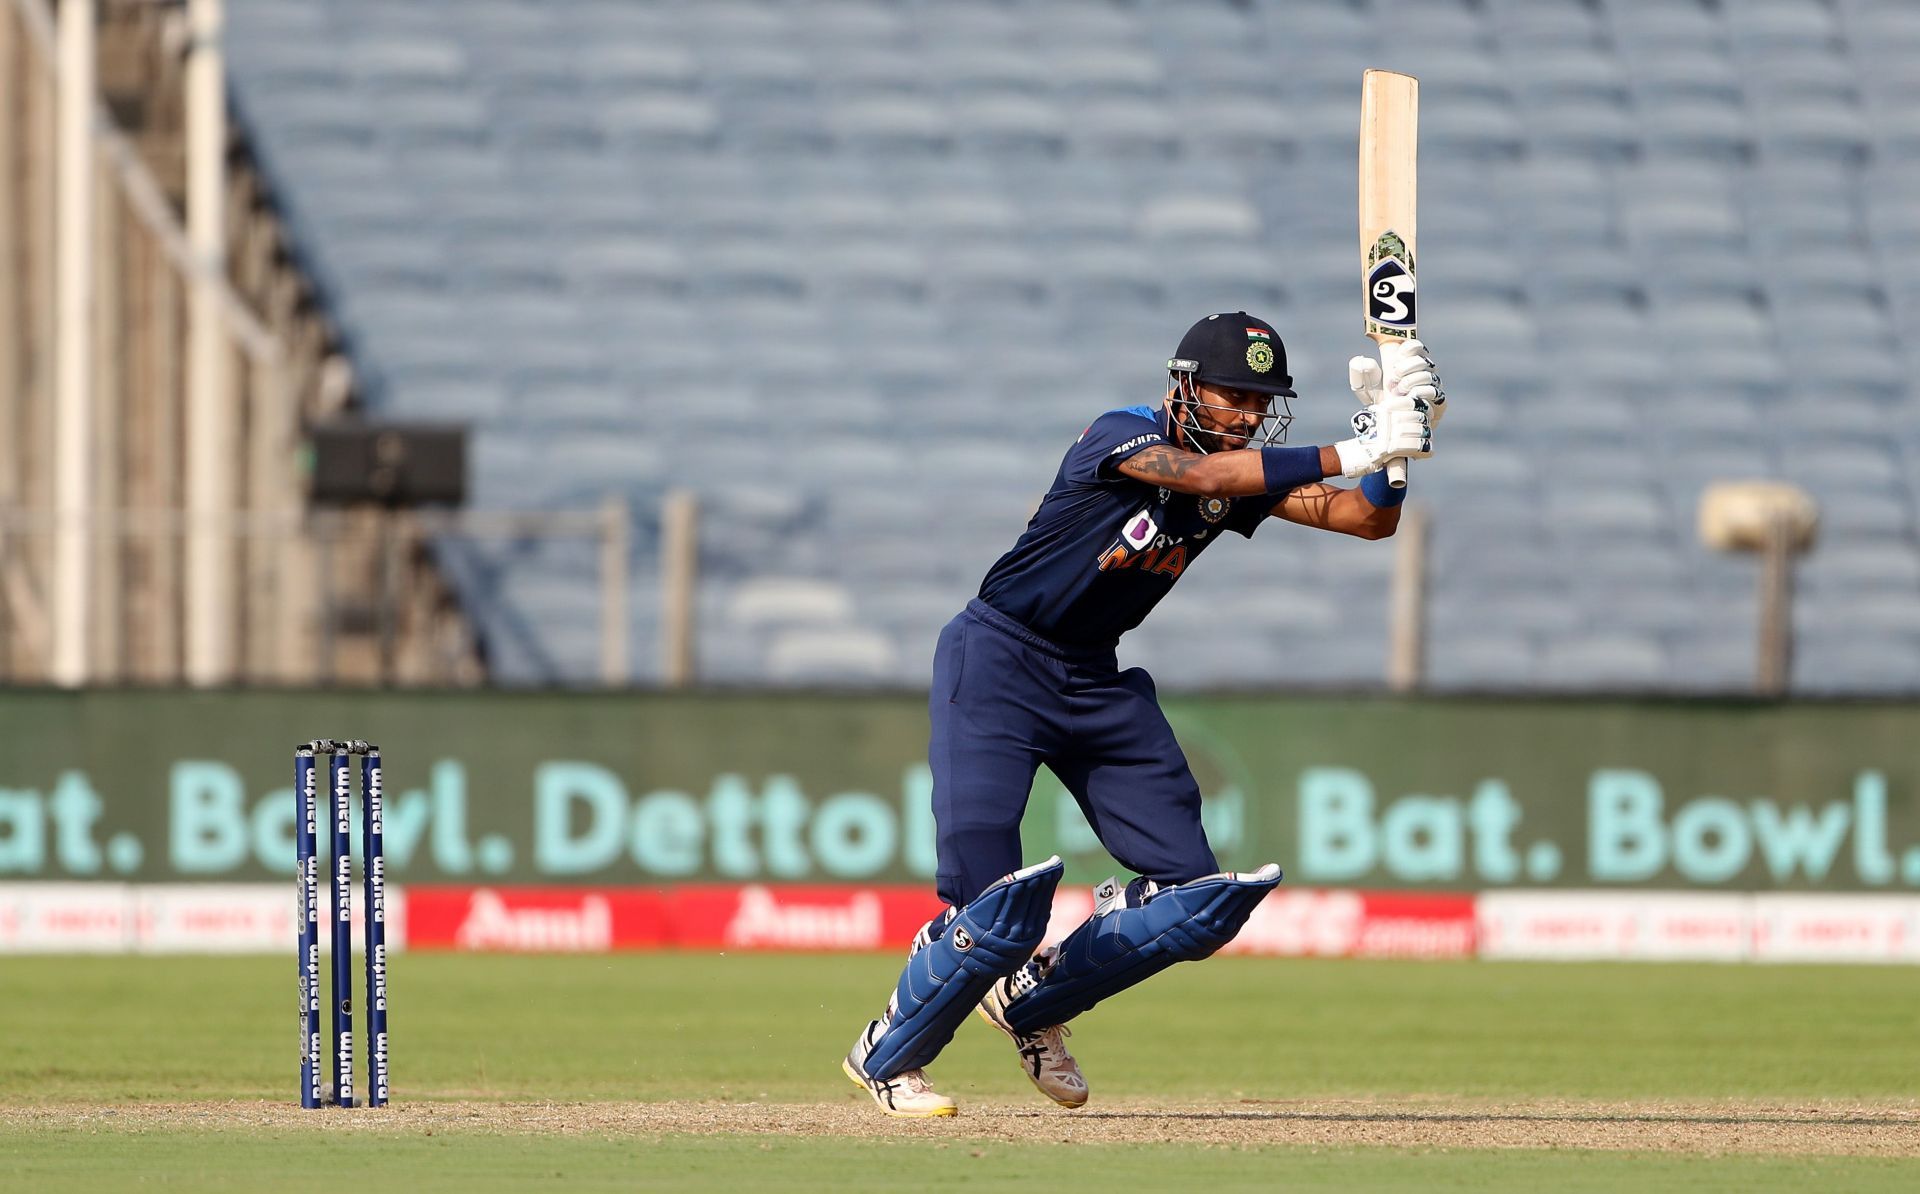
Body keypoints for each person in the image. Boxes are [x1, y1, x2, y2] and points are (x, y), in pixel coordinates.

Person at [841, 312, 1443, 1117]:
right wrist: (1356, 446)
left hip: (1094, 682)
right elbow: (1201, 481)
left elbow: (1366, 518)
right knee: (992, 912)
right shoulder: (1120, 435)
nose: (1250, 416)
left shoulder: (1240, 471)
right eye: (1235, 395)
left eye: (1263, 403)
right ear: (1183, 385)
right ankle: (889, 1056)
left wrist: (1401, 450)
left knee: (1196, 904)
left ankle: (1036, 1004)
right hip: (998, 662)